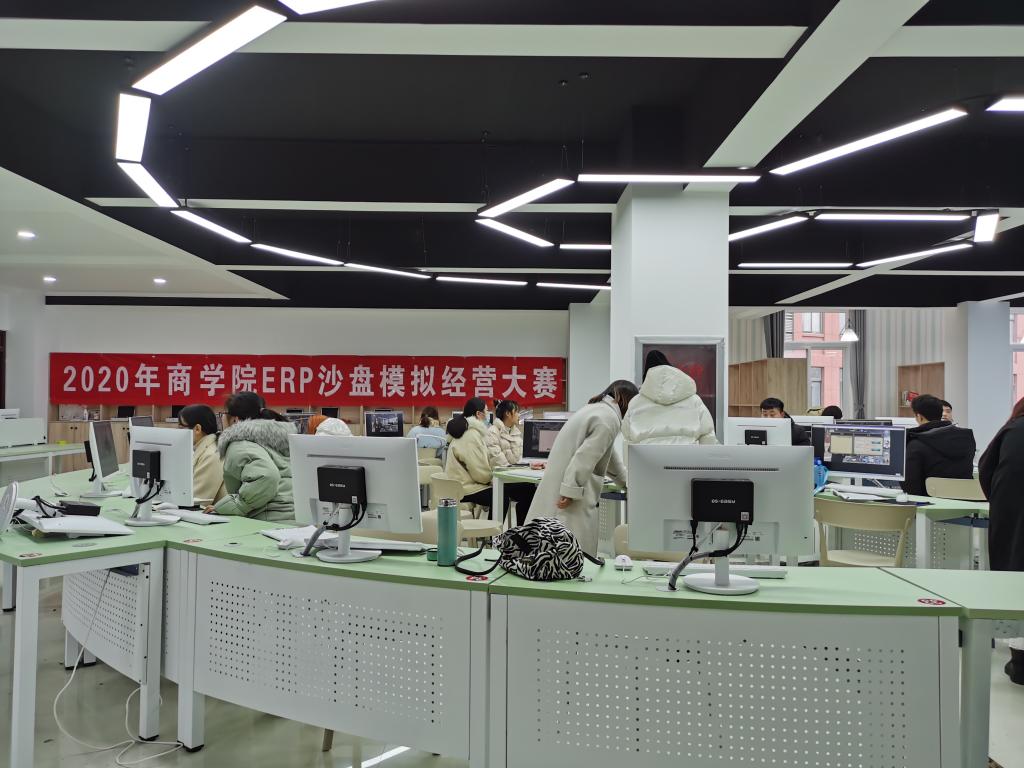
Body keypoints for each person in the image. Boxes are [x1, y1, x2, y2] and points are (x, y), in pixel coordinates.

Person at [526, 380, 636, 555]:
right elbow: (584, 457)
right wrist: (570, 491)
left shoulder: (595, 411)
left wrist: (628, 482)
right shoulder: (608, 419)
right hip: (570, 493)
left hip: (561, 483)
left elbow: (609, 456)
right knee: (567, 551)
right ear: (624, 400)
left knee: (549, 546)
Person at [978, 397, 1024, 685]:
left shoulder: (1013, 430)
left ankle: (1020, 663)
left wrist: (1002, 502)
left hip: (1013, 519)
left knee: (1015, 584)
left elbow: (986, 470)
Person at [209, 391, 295, 522]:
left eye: (224, 414)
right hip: (294, 519)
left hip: (268, 521)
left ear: (235, 419)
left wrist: (236, 505)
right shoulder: (280, 440)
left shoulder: (240, 444)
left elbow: (267, 476)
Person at [622, 350, 717, 453]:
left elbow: (628, 440)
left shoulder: (636, 403)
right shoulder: (694, 401)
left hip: (647, 461)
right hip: (688, 459)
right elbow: (708, 437)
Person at [901, 394, 976, 497]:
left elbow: (910, 487)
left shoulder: (915, 445)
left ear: (919, 417)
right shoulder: (967, 438)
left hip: (930, 504)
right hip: (966, 502)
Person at [486, 399, 536, 525]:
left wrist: (528, 465)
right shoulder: (492, 432)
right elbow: (497, 461)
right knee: (529, 490)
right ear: (508, 413)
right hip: (501, 479)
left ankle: (522, 530)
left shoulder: (516, 432)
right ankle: (498, 532)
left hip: (515, 477)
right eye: (517, 411)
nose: (519, 415)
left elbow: (520, 458)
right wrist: (519, 469)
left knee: (532, 490)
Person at [444, 397, 498, 515]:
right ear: (478, 414)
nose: (487, 415)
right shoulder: (472, 435)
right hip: (465, 488)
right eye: (486, 411)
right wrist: (491, 479)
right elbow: (480, 474)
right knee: (500, 497)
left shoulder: (462, 431)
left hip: (456, 484)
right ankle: (492, 528)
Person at [177, 404, 226, 505]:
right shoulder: (208, 447)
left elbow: (197, 499)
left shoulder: (212, 455)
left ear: (197, 429)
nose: (178, 431)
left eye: (181, 427)